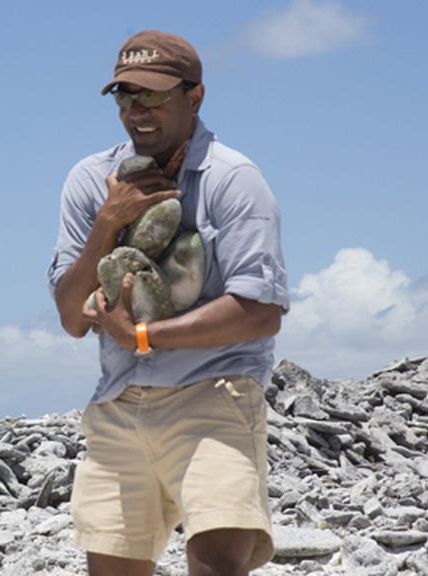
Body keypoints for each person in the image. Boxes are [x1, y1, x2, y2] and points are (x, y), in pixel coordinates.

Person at [48, 30, 289, 576]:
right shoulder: (90, 180)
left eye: (152, 96)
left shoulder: (233, 180)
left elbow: (260, 310)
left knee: (216, 567)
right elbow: (70, 316)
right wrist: (108, 223)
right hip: (118, 404)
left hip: (213, 397)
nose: (137, 111)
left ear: (194, 97)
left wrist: (143, 335)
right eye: (125, 97)